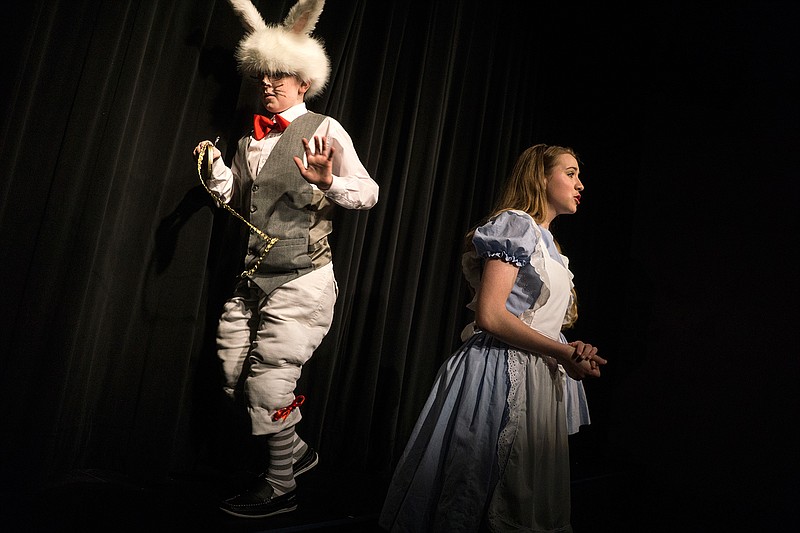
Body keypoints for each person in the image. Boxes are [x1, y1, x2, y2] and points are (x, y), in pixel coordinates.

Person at [192, 0, 378, 519]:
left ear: (304, 82)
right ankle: (297, 453)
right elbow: (233, 199)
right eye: (264, 75)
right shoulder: (250, 139)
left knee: (269, 382)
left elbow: (369, 193)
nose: (270, 84)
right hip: (252, 277)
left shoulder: (325, 128)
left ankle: (280, 486)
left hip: (303, 277)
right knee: (233, 373)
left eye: (282, 76)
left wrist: (328, 181)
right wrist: (214, 173)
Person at [379, 144, 605, 532]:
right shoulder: (515, 224)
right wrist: (562, 351)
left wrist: (574, 350)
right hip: (499, 370)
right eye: (570, 173)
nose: (580, 183)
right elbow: (490, 315)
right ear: (540, 176)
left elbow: (540, 322)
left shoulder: (554, 248)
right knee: (476, 491)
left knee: (526, 497)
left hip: (540, 376)